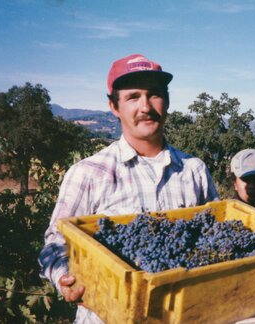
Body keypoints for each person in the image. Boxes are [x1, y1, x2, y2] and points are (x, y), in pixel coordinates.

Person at [38, 54, 219, 323]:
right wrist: (64, 276)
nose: (145, 106)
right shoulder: (89, 174)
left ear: (167, 102)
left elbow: (218, 236)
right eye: (133, 97)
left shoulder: (194, 170)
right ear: (114, 106)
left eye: (154, 95)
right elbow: (55, 241)